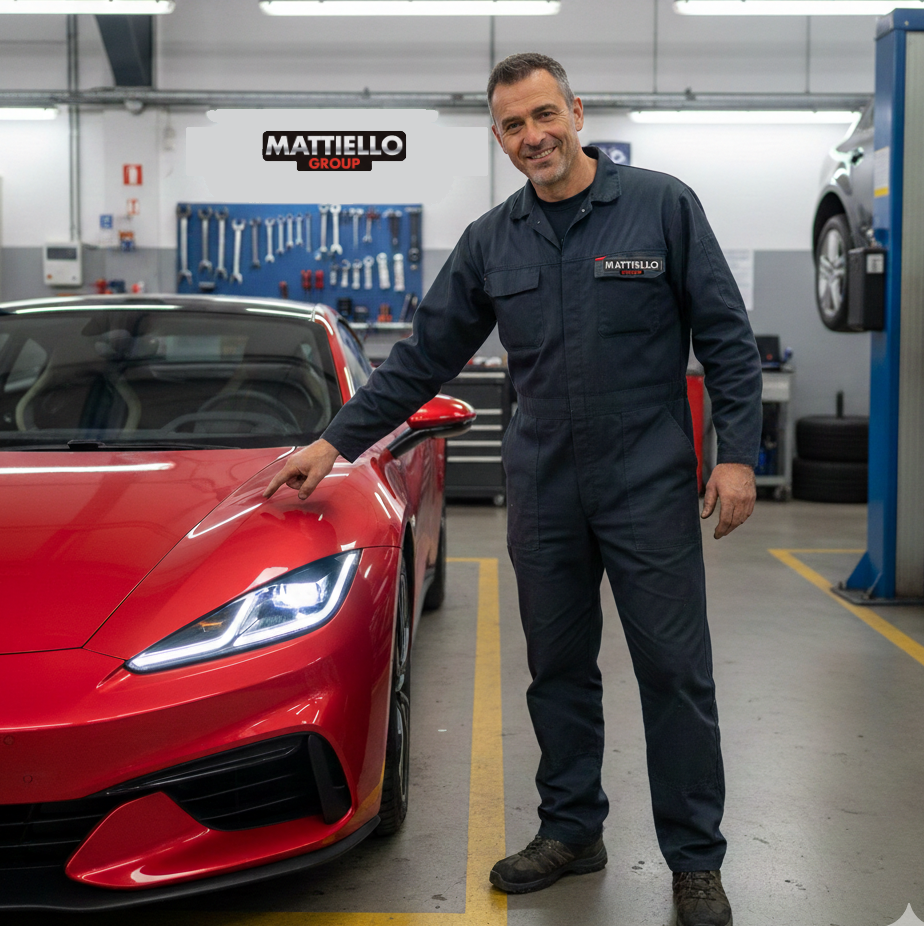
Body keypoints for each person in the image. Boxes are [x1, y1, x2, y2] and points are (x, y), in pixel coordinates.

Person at [264, 52, 762, 926]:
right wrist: (334, 442)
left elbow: (725, 333)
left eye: (544, 115)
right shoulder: (493, 239)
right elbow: (422, 357)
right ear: (499, 138)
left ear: (576, 111)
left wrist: (738, 456)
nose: (533, 136)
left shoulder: (662, 206)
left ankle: (694, 859)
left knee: (674, 673)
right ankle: (571, 829)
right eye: (513, 126)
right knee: (556, 669)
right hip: (544, 488)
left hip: (646, 484)